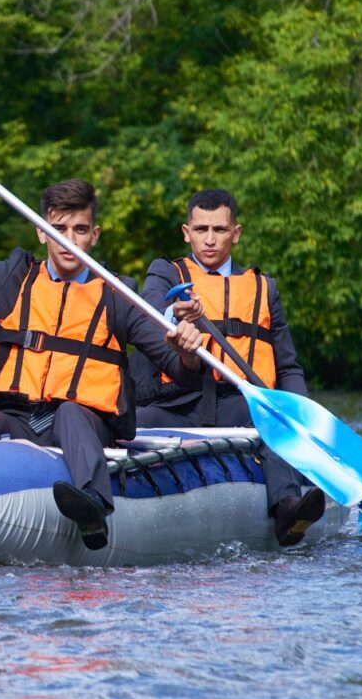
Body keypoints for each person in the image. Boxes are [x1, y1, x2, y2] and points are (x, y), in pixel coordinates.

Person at [0, 153, 204, 551]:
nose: (69, 239)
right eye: (59, 228)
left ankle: (93, 505)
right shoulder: (10, 279)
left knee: (70, 411)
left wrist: (186, 351)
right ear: (41, 232)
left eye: (80, 229)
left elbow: (181, 369)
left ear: (94, 235)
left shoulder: (116, 296)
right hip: (17, 417)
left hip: (81, 423)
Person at [130, 188, 324, 546]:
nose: (209, 240)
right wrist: (174, 314)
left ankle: (288, 511)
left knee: (276, 423)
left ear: (235, 233)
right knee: (130, 423)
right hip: (177, 403)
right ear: (186, 232)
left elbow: (288, 366)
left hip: (241, 403)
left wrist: (299, 412)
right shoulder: (166, 272)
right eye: (200, 229)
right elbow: (151, 307)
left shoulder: (265, 289)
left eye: (219, 230)